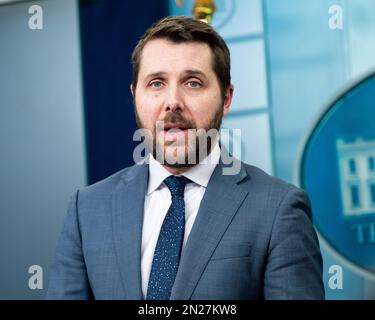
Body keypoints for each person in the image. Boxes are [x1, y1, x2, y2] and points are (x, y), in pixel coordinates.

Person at [47, 16, 324, 300]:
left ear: (226, 98)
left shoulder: (279, 209)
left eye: (192, 83)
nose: (173, 101)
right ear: (134, 96)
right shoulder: (87, 210)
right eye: (156, 83)